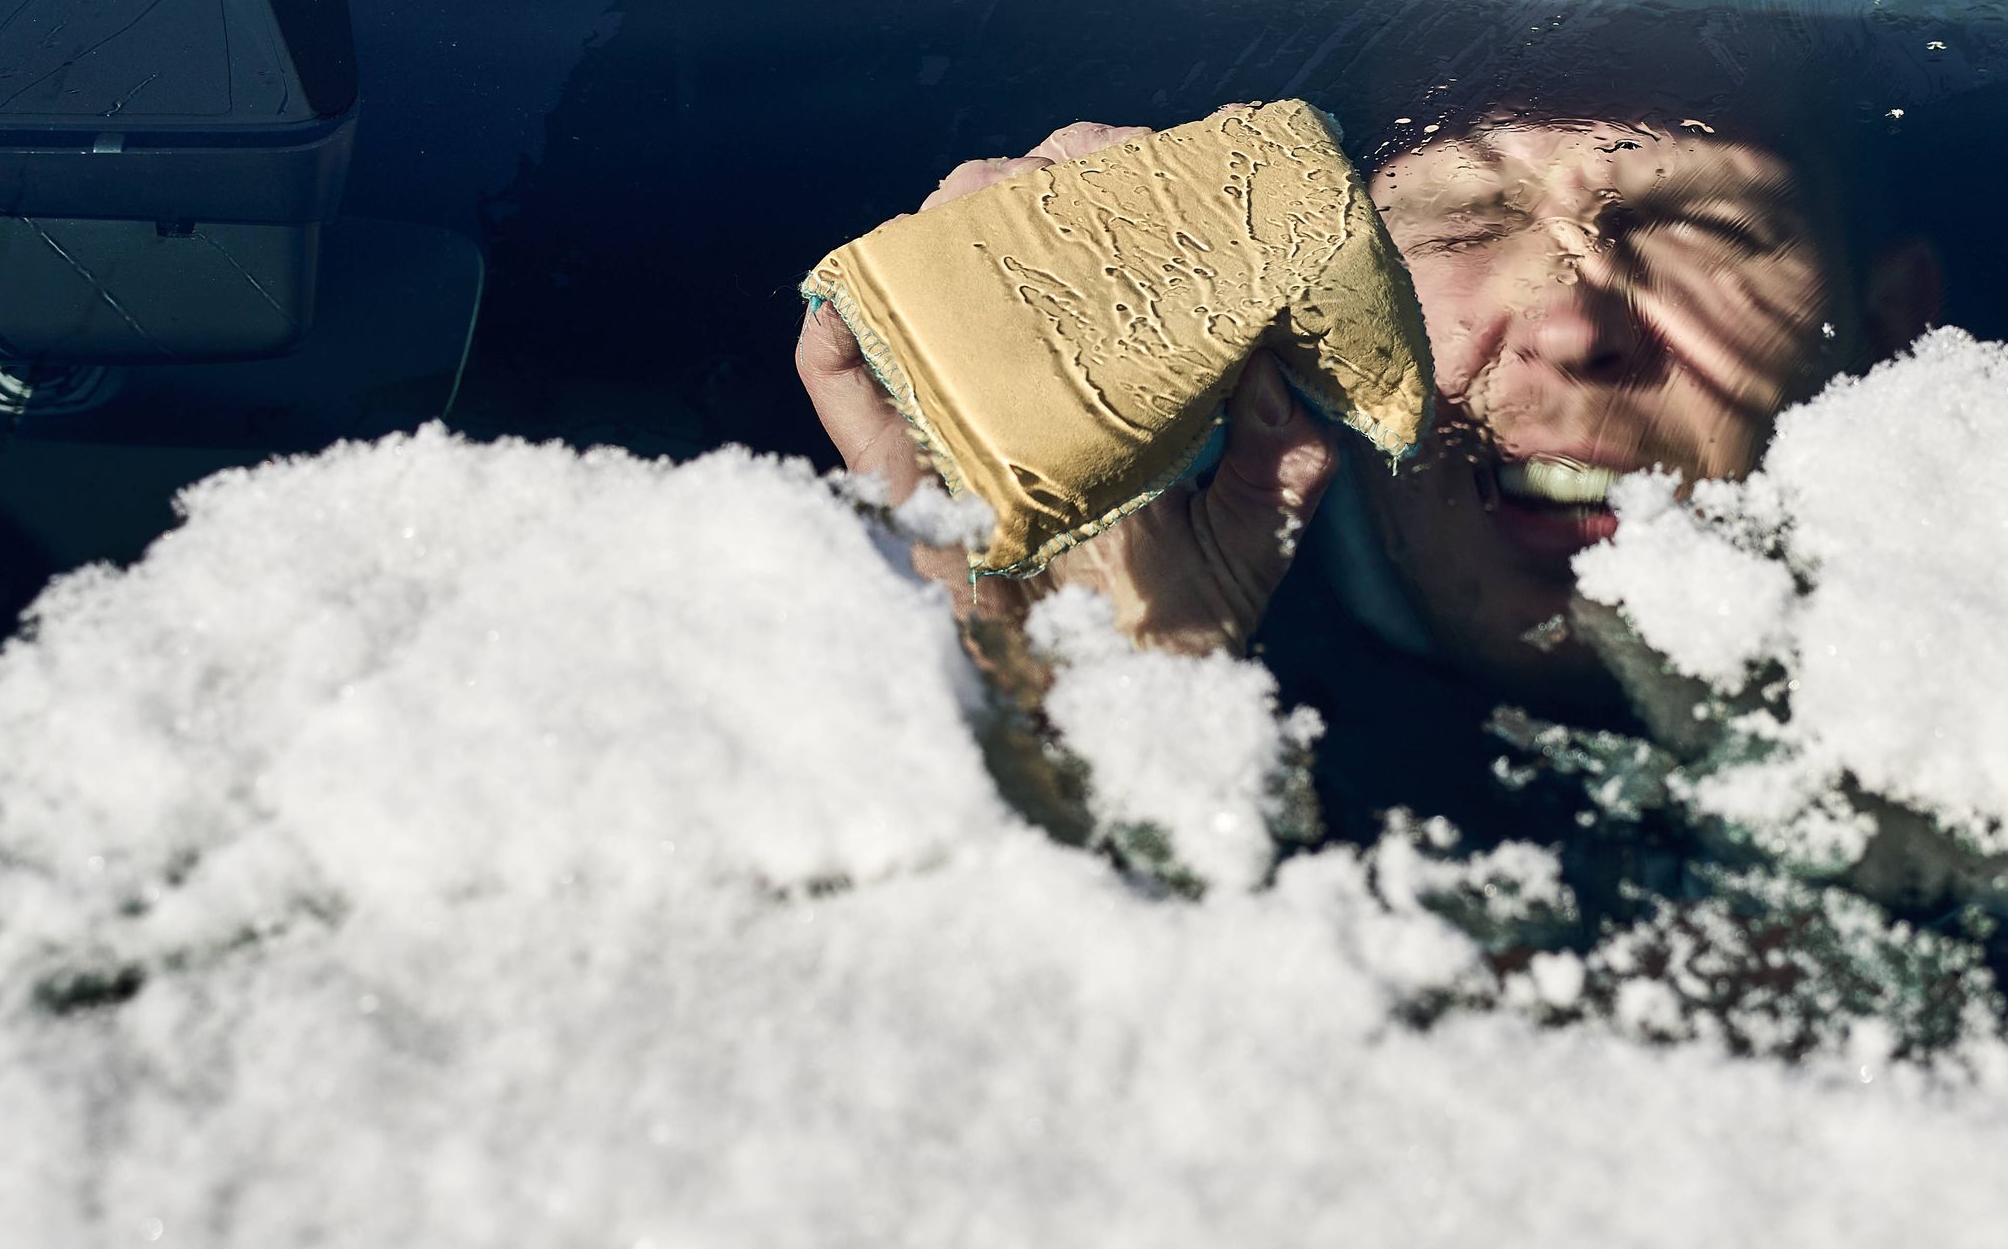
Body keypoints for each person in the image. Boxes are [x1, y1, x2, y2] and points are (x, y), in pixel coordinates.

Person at [795, 97, 1942, 828]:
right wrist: (1078, 689)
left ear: (1889, 326)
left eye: (1697, 225)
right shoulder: (1237, 714)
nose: (1571, 323)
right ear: (1303, 312)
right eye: (1459, 222)